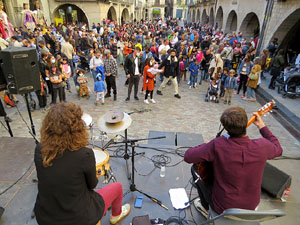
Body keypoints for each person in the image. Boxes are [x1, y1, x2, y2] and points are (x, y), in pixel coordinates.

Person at [34, 102, 131, 225]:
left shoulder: (39, 149)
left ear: (47, 127)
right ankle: (115, 216)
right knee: (117, 187)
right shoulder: (84, 155)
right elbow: (92, 185)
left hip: (46, 217)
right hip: (79, 218)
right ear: (77, 128)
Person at [184, 107, 282, 217]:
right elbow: (278, 148)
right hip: (251, 207)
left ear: (225, 127)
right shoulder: (262, 146)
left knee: (195, 169)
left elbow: (188, 156)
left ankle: (206, 208)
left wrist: (206, 146)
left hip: (223, 207)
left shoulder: (217, 145)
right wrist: (262, 126)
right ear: (245, 124)